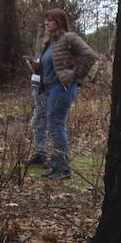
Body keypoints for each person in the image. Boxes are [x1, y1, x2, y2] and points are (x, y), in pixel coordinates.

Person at [32, 9, 100, 180]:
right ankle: (57, 166)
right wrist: (37, 68)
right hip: (49, 88)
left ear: (59, 22)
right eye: (46, 20)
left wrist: (75, 75)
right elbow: (55, 64)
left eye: (50, 20)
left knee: (56, 125)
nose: (47, 23)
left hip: (61, 88)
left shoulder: (69, 38)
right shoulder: (51, 42)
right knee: (53, 126)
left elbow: (90, 55)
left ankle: (63, 168)